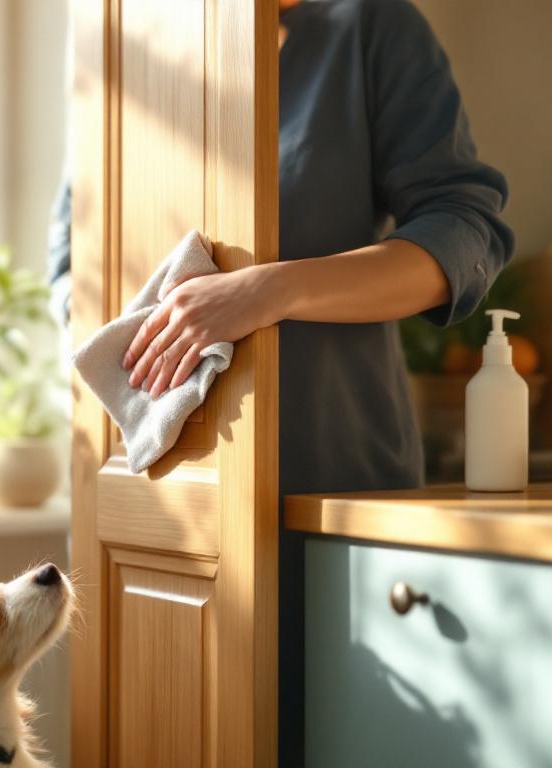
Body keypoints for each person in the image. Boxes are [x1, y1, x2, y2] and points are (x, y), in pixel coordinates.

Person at [48, 0, 513, 758]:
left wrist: (270, 290)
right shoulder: (133, 44)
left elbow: (466, 231)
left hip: (330, 493)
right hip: (158, 514)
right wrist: (145, 341)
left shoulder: (369, 27)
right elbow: (73, 263)